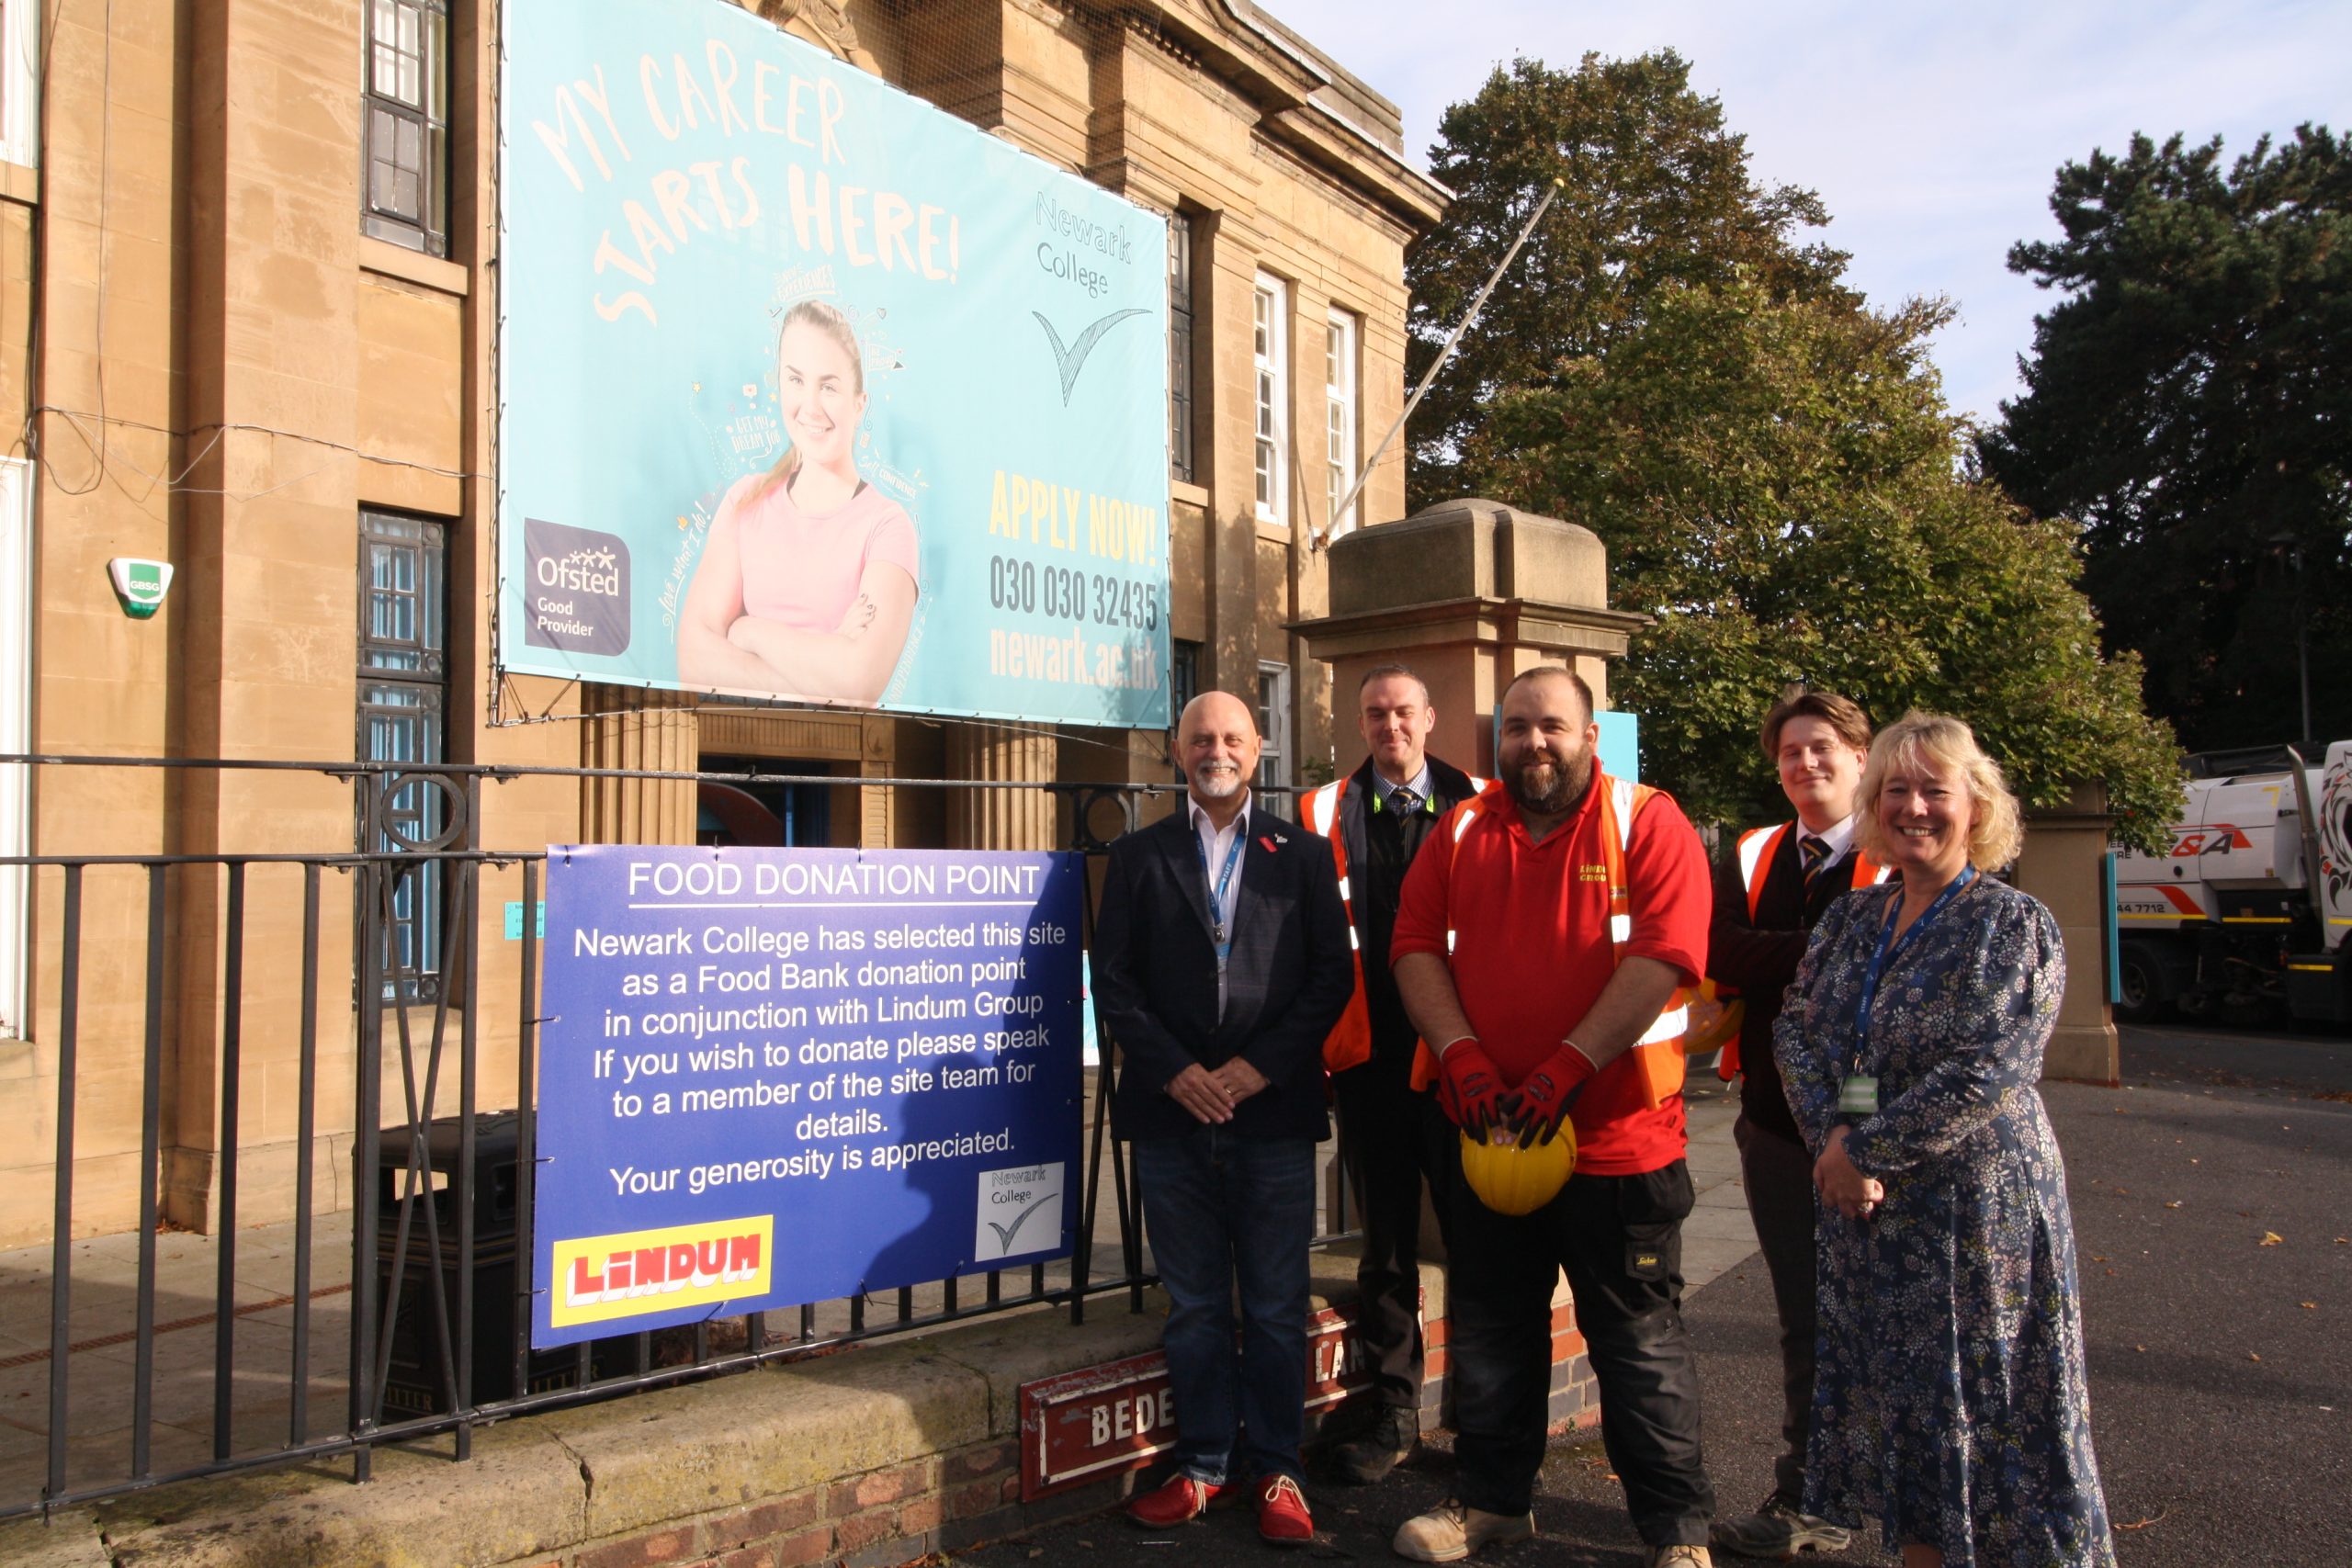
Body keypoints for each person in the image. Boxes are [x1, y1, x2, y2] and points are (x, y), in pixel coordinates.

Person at [1388, 667, 1718, 1568]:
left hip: (1620, 1142)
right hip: (1492, 1137)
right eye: (1519, 727)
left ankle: (1677, 1535)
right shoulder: (1459, 829)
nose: (1535, 742)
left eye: (1554, 728)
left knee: (1637, 1343)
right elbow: (1413, 947)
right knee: (1492, 1327)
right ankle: (1493, 1505)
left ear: (1590, 738)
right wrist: (1460, 1056)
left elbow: (1664, 956)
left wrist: (1563, 1071)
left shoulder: (1647, 821)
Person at [1772, 712, 2114, 1568]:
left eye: (1935, 790)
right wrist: (1836, 1135)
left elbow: (1991, 1066)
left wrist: (1866, 1151)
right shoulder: (1853, 919)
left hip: (1975, 1216)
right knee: (1911, 1414)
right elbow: (1805, 1031)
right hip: (1874, 1218)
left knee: (1993, 1410)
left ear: (1977, 806)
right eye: (1895, 790)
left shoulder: (2012, 923)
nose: (1913, 807)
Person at [1094, 689, 1355, 1547]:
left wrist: (1252, 1070)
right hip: (1173, 1119)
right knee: (1198, 1305)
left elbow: (1330, 980)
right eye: (1201, 737)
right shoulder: (1137, 856)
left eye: (1233, 737)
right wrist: (1177, 1075)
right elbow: (1115, 982)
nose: (1217, 749)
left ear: (1258, 749)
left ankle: (1279, 1465)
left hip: (1271, 1112)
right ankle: (1205, 1463)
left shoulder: (1305, 856)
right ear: (1177, 752)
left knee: (1278, 1304)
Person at [1704, 690, 1883, 1562]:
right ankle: (1810, 1495)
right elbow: (1720, 952)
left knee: (1883, 1318)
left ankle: (1899, 1497)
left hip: (1868, 1126)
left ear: (1860, 755)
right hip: (1772, 1123)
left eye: (1823, 749)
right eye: (1790, 752)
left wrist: (1779, 946)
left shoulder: (1894, 851)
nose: (1806, 765)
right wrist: (1822, 943)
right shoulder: (1752, 848)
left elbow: (1880, 1001)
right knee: (1804, 1319)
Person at [1297, 665, 1486, 1484]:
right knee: (1385, 1249)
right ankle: (1396, 1411)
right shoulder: (1320, 809)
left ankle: (1485, 1422)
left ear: (1430, 716)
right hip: (1370, 1060)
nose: (1389, 725)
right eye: (1375, 713)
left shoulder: (1481, 802)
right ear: (1361, 722)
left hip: (1462, 1059)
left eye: (1403, 710)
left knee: (1481, 1244)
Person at [677, 299, 919, 705]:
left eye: (828, 386)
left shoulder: (887, 527)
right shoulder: (746, 501)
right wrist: (828, 661)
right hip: (724, 755)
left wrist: (750, 632)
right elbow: (692, 662)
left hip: (831, 763)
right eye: (795, 380)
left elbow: (858, 683)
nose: (810, 406)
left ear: (860, 404)